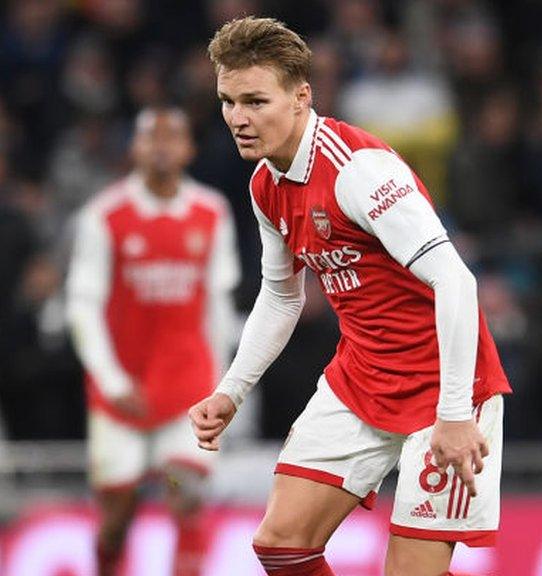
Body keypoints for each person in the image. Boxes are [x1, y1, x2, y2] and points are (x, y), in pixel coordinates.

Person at [189, 17, 511, 576]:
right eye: (228, 101)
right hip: (361, 380)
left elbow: (456, 279)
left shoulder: (359, 171)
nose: (238, 119)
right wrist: (232, 390)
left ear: (301, 97)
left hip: (449, 389)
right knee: (282, 544)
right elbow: (282, 295)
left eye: (255, 101)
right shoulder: (266, 183)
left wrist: (456, 414)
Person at [66, 106, 241, 576]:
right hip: (122, 393)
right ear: (134, 149)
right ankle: (107, 561)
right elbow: (83, 304)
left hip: (188, 386)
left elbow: (217, 305)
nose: (161, 146)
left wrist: (227, 382)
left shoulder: (211, 212)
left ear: (189, 149)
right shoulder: (105, 217)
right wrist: (110, 378)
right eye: (150, 137)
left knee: (187, 495)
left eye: (172, 137)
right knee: (117, 518)